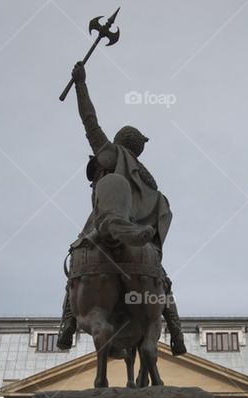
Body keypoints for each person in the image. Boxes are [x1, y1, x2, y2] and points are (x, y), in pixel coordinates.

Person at [57, 61, 187, 355]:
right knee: (162, 283)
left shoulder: (111, 155)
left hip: (104, 231)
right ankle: (177, 334)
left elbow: (90, 122)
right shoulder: (151, 184)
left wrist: (80, 85)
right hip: (142, 244)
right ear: (139, 148)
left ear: (118, 143)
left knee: (72, 278)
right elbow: (162, 222)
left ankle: (66, 325)